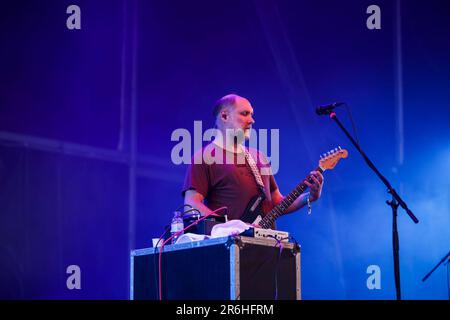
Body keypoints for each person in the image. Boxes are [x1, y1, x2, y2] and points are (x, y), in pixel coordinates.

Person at [182, 94, 324, 229]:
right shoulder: (205, 157)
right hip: (230, 247)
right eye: (245, 114)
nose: (252, 120)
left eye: (251, 114)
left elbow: (276, 202)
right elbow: (192, 204)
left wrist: (309, 197)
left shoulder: (259, 157)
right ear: (225, 116)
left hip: (267, 245)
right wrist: (225, 227)